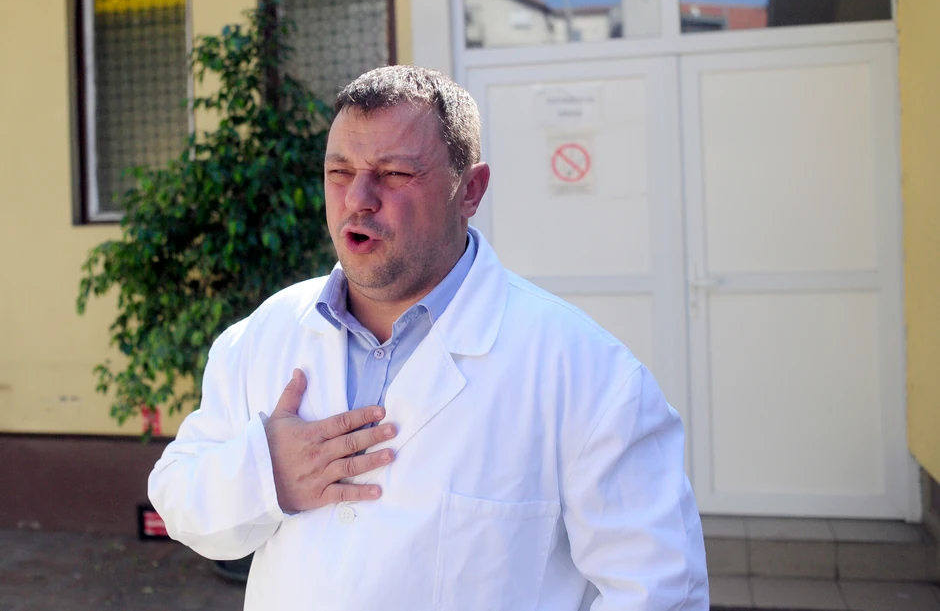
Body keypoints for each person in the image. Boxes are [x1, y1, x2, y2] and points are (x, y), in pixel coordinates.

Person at [149, 65, 708, 610]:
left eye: (394, 173)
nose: (357, 198)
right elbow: (179, 499)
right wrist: (266, 473)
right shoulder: (263, 335)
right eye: (339, 171)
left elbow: (659, 590)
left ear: (470, 191)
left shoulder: (586, 373)